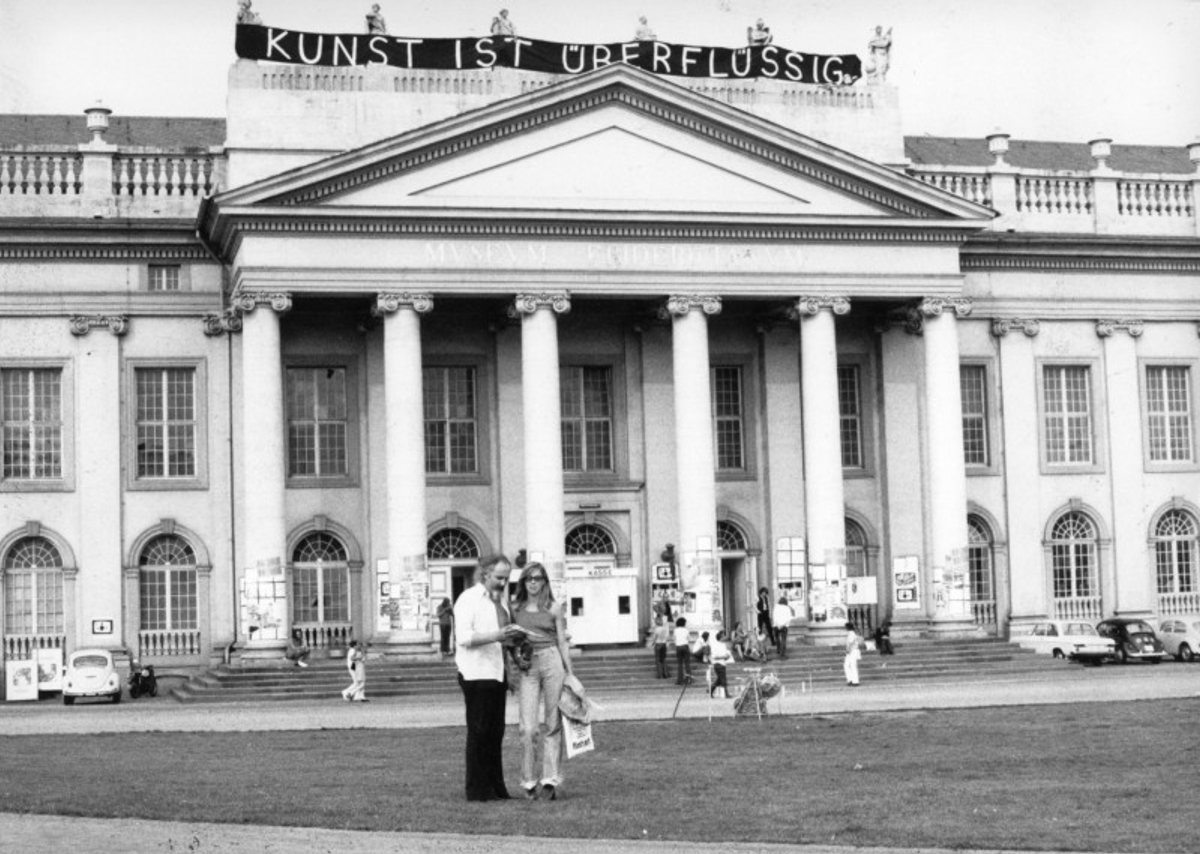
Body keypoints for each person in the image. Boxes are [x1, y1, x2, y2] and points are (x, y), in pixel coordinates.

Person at [454, 554, 523, 802]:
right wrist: (497, 634)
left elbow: (503, 641)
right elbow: (464, 637)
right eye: (499, 578)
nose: (503, 583)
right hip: (475, 673)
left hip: (497, 673)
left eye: (506, 578)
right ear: (485, 574)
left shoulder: (502, 603)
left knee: (496, 732)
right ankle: (476, 789)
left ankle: (496, 787)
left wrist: (514, 643)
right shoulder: (468, 599)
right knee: (479, 731)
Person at [510, 563, 573, 800]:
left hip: (551, 660)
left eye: (537, 578)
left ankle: (550, 780)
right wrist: (516, 659)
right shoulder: (516, 608)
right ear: (523, 583)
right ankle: (528, 781)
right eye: (528, 579)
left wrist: (571, 673)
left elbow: (562, 641)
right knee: (528, 728)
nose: (533, 583)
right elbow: (511, 641)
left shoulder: (554, 608)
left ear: (545, 581)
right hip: (528, 663)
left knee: (553, 722)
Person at [708, 630, 733, 698]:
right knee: (723, 680)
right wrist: (723, 656)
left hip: (723, 663)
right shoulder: (715, 645)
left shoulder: (723, 645)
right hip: (718, 664)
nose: (725, 637)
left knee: (719, 680)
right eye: (723, 636)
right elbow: (714, 656)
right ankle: (726, 693)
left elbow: (725, 655)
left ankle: (711, 689)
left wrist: (727, 656)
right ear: (721, 637)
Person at [672, 617, 693, 685]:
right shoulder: (686, 630)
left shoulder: (675, 630)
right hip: (685, 646)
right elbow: (689, 639)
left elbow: (674, 639)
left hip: (678, 647)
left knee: (680, 664)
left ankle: (679, 680)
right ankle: (688, 679)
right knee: (687, 663)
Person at [651, 615, 671, 679]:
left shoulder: (656, 629)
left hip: (658, 644)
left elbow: (655, 638)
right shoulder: (664, 629)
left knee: (658, 660)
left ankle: (660, 675)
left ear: (656, 622)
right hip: (664, 644)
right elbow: (667, 637)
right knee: (664, 659)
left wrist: (653, 643)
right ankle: (666, 673)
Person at [844, 622, 862, 686]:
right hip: (851, 651)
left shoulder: (851, 633)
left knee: (852, 665)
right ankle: (850, 679)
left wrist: (848, 650)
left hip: (852, 650)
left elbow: (850, 643)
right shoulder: (850, 633)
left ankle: (855, 681)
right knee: (847, 665)